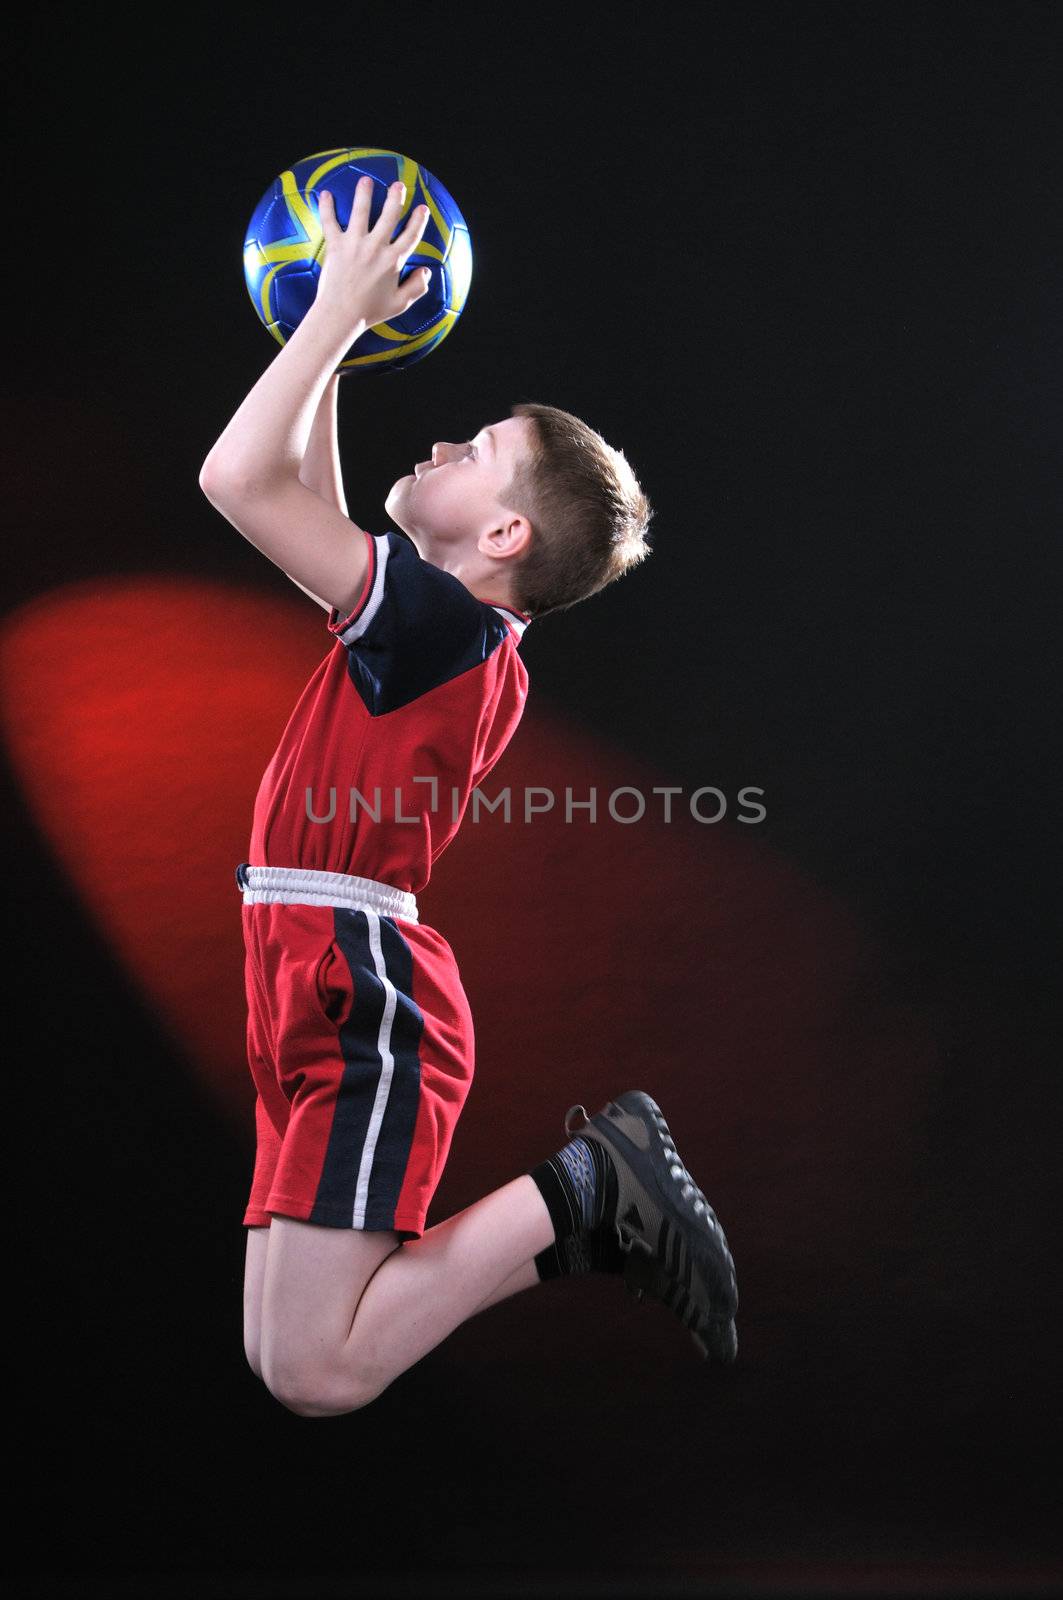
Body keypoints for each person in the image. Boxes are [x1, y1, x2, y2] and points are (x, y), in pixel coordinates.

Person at [198, 174, 738, 1418]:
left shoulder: (450, 632)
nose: (441, 444)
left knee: (321, 1370)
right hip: (303, 963)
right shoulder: (430, 632)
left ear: (501, 541)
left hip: (355, 992)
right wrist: (317, 343)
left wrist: (330, 317)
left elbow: (241, 484)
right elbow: (301, 511)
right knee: (290, 1361)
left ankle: (596, 1186)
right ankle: (590, 1195)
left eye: (475, 452)